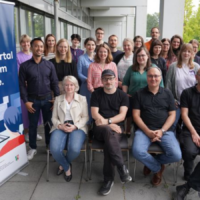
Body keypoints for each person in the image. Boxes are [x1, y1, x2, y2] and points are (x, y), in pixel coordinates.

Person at [132, 66, 182, 186]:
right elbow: (136, 116)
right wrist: (148, 131)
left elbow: (172, 115)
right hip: (144, 130)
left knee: (176, 155)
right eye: (150, 76)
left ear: (160, 78)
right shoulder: (139, 93)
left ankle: (151, 163)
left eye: (156, 76)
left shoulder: (168, 93)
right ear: (146, 78)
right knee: (137, 151)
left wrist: (162, 130)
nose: (153, 78)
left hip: (165, 131)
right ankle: (157, 169)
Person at [91, 69, 132, 196]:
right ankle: (121, 167)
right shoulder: (96, 94)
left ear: (115, 80)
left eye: (110, 78)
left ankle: (108, 180)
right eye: (105, 79)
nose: (108, 81)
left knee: (110, 145)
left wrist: (108, 122)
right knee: (108, 131)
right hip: (99, 129)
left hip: (116, 129)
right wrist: (110, 124)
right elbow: (94, 114)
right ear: (102, 80)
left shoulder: (122, 96)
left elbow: (122, 116)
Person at [19, 37, 59, 160]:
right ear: (31, 48)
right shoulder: (25, 66)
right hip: (32, 100)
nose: (39, 48)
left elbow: (54, 83)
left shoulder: (49, 65)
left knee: (49, 124)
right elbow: (21, 85)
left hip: (47, 100)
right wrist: (26, 101)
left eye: (41, 46)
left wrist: (56, 100)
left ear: (43, 48)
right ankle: (33, 147)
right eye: (36, 46)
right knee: (32, 125)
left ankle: (49, 145)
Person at [50, 76, 88, 182]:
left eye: (71, 84)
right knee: (54, 149)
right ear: (63, 86)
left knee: (75, 149)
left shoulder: (82, 99)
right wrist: (60, 125)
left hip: (77, 126)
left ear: (75, 86)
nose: (69, 87)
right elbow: (53, 117)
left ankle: (62, 164)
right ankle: (67, 167)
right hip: (61, 125)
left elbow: (85, 117)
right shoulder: (58, 99)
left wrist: (75, 126)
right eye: (66, 84)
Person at [122, 47, 164, 137]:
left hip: (149, 97)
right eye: (138, 55)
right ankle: (128, 130)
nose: (141, 57)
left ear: (148, 56)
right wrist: (125, 94)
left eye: (143, 55)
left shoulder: (154, 68)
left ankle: (144, 131)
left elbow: (161, 84)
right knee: (128, 109)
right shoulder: (131, 69)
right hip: (132, 97)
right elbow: (125, 83)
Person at [166, 43, 200, 131]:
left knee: (190, 125)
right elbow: (168, 85)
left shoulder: (196, 67)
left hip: (192, 102)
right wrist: (172, 100)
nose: (186, 53)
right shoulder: (173, 66)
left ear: (192, 53)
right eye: (184, 51)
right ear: (180, 52)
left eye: (189, 51)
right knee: (172, 124)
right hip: (177, 102)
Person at [17, 34, 43, 143]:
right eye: (23, 42)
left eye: (28, 42)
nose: (26, 44)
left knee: (36, 109)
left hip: (36, 87)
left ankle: (34, 131)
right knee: (26, 109)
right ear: (20, 44)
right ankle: (27, 132)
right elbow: (18, 71)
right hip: (25, 87)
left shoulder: (34, 55)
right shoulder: (18, 56)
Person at [179, 68, 200, 181]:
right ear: (196, 77)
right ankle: (188, 174)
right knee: (189, 151)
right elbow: (184, 115)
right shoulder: (187, 93)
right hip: (190, 129)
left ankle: (194, 179)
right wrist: (194, 133)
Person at [77, 37, 96, 125]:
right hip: (85, 87)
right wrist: (88, 80)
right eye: (88, 44)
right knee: (85, 107)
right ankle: (86, 127)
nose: (90, 46)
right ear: (85, 45)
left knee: (95, 106)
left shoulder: (97, 57)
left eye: (92, 45)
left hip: (96, 87)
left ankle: (95, 127)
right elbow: (79, 73)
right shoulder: (81, 58)